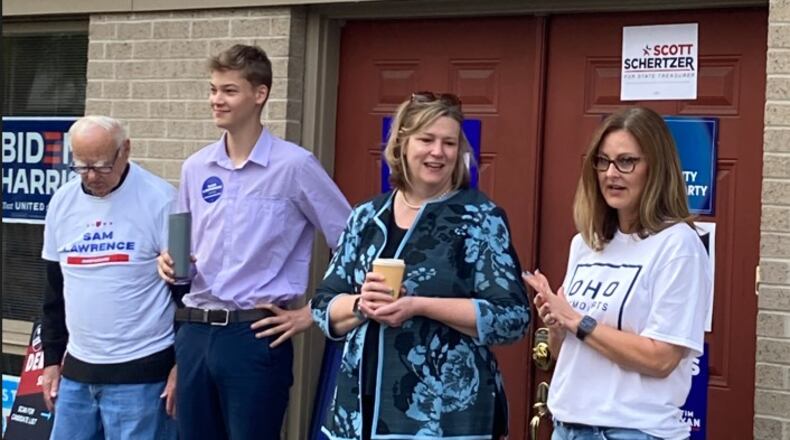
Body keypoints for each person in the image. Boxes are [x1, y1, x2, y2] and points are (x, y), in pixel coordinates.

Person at [156, 44, 351, 439]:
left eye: (228, 91)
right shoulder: (195, 167)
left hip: (254, 336)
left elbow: (354, 241)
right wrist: (169, 263)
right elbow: (186, 250)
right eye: (212, 90)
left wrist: (313, 312)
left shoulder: (295, 166)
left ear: (259, 94)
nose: (216, 100)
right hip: (193, 332)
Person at [311, 92, 530, 439]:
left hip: (444, 419)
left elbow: (512, 317)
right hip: (358, 414)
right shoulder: (366, 216)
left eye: (449, 143)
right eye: (426, 139)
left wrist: (420, 306)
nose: (438, 152)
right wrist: (360, 305)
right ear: (401, 142)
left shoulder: (479, 218)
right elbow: (323, 303)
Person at [523, 106, 710, 440]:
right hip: (567, 426)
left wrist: (578, 322)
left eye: (626, 162)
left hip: (631, 430)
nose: (611, 173)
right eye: (603, 161)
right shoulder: (585, 243)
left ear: (656, 168)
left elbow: (661, 359)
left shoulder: (678, 245)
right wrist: (555, 323)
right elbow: (559, 351)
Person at [40, 115, 177, 439]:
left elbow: (186, 293)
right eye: (81, 166)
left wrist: (179, 367)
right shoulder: (62, 202)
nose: (91, 176)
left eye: (101, 166)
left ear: (125, 151)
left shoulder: (163, 200)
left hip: (143, 375)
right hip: (76, 372)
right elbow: (53, 291)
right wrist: (50, 360)